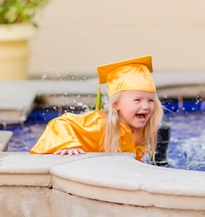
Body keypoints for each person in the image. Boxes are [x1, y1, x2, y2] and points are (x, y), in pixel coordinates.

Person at [29, 56, 164, 162]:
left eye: (151, 100)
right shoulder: (99, 123)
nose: (146, 106)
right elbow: (60, 123)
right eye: (137, 100)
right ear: (116, 104)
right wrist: (69, 144)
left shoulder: (140, 130)